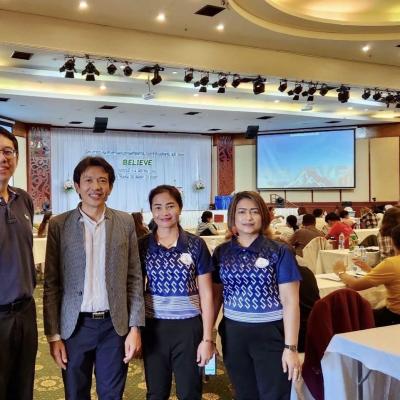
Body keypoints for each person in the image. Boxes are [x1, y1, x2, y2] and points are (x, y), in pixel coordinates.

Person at [43, 156, 145, 400]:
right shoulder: (59, 225)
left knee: (112, 394)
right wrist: (53, 336)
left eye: (102, 180)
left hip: (114, 326)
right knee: (75, 393)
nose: (96, 187)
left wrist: (135, 327)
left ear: (110, 187)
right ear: (77, 186)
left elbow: (134, 277)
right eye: (88, 180)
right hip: (74, 327)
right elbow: (51, 284)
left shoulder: (125, 222)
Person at [212, 191, 301, 400]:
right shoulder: (222, 252)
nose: (248, 217)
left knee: (274, 394)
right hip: (233, 334)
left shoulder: (279, 251)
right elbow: (215, 298)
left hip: (270, 334)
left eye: (254, 212)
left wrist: (291, 348)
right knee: (244, 393)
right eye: (242, 212)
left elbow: (290, 301)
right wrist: (209, 336)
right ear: (233, 216)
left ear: (263, 216)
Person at [138, 185, 215, 400]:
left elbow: (207, 295)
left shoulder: (196, 245)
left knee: (190, 391)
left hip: (189, 328)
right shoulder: (143, 246)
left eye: (170, 206)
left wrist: (207, 338)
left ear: (180, 208)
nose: (164, 212)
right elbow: (135, 291)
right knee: (156, 392)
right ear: (152, 211)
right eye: (158, 207)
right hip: (154, 327)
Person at [0, 127, 38, 400]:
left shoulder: (23, 199)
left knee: (23, 387)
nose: (3, 158)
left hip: (25, 312)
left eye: (8, 151)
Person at [333, 224, 400, 327]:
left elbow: (355, 285)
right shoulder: (391, 265)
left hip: (395, 318)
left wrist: (340, 272)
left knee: (356, 315)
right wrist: (370, 270)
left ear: (392, 242)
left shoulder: (391, 264)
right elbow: (393, 278)